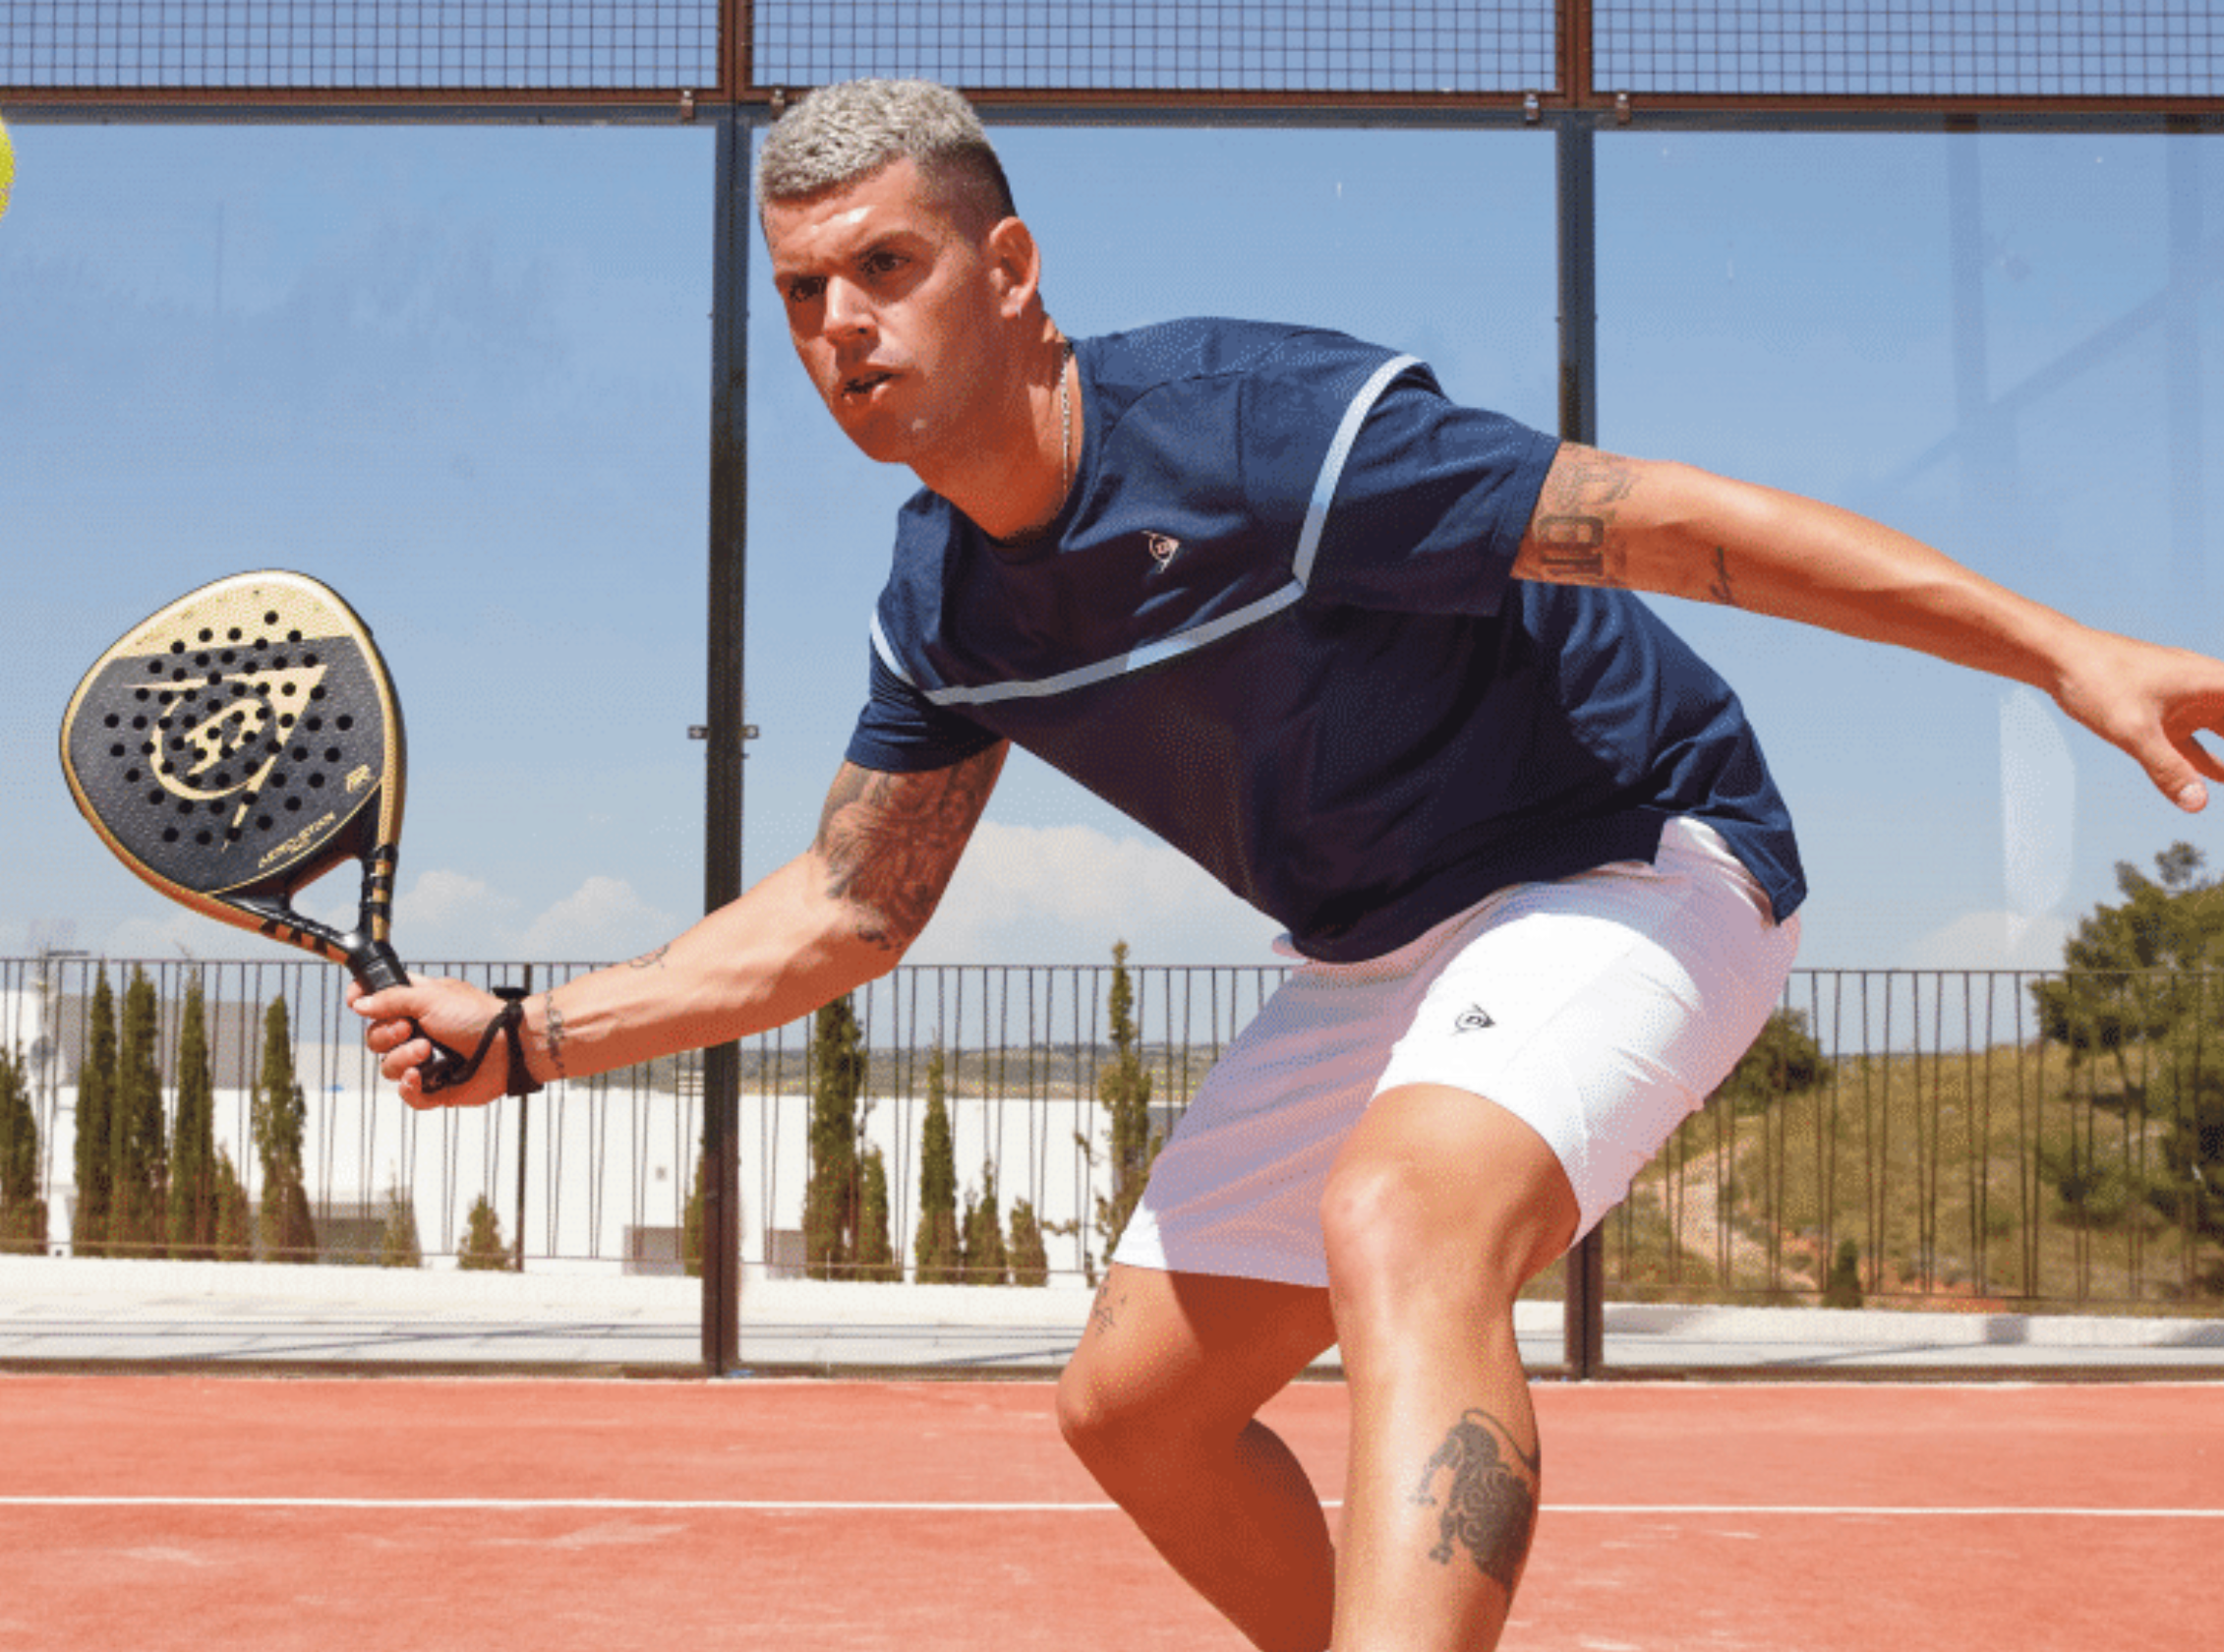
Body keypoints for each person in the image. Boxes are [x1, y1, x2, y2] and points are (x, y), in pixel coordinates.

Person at [352, 80, 2224, 1652]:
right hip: (1374, 943)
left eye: (886, 267)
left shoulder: (1266, 437)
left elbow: (1672, 527)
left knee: (1403, 1220)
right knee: (1137, 1412)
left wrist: (2063, 649)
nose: (841, 324)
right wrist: (531, 1035)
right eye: (802, 292)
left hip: (1634, 849)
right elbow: (851, 906)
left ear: (1010, 275)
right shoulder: (940, 604)